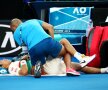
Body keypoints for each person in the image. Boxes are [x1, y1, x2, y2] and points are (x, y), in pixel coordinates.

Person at [10, 18, 95, 77]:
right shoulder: (33, 21)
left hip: (34, 49)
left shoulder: (16, 33)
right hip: (47, 42)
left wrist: (26, 57)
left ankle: (38, 67)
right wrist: (52, 43)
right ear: (20, 22)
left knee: (34, 69)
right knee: (66, 50)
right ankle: (73, 65)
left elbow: (25, 50)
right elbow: (50, 27)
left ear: (14, 27)